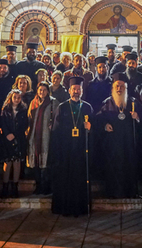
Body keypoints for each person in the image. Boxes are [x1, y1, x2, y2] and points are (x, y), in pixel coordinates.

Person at [50, 77, 94, 216]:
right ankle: (65, 207)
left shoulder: (87, 107)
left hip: (81, 150)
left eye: (78, 89)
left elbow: (94, 130)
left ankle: (80, 207)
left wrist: (90, 128)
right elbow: (56, 130)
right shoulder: (62, 107)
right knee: (66, 178)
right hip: (66, 150)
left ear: (82, 91)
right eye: (74, 89)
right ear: (69, 91)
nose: (76, 92)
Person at [95, 73, 140, 198]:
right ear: (113, 88)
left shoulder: (132, 102)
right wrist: (104, 126)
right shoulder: (106, 103)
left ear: (126, 88)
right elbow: (98, 119)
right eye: (117, 86)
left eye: (121, 86)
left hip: (128, 144)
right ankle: (113, 192)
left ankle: (130, 192)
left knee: (129, 166)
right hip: (112, 144)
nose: (119, 88)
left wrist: (137, 118)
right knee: (113, 167)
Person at [27, 81, 58, 194]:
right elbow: (29, 117)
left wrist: (53, 125)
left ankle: (46, 186)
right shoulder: (33, 102)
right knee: (35, 161)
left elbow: (57, 118)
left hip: (47, 136)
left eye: (44, 90)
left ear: (48, 91)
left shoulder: (53, 103)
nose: (42, 92)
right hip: (34, 136)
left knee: (45, 161)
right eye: (40, 90)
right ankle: (38, 184)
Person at [0, 89, 29, 198]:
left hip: (19, 138)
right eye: (14, 97)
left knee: (17, 162)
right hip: (7, 138)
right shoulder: (5, 109)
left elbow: (24, 124)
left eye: (19, 97)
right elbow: (2, 123)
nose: (16, 99)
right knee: (7, 162)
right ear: (11, 98)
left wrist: (15, 134)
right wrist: (7, 134)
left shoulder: (23, 110)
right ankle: (5, 186)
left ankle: (15, 186)